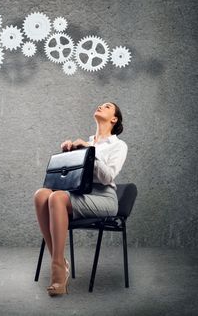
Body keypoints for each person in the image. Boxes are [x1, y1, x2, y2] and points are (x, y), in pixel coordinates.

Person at [33, 102, 128, 296]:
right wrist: (69, 154)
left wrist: (90, 153)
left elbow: (108, 177)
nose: (101, 106)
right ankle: (59, 261)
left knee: (57, 198)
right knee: (41, 194)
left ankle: (58, 271)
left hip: (104, 199)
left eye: (107, 106)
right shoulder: (87, 142)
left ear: (114, 119)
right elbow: (72, 179)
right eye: (100, 105)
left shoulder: (118, 145)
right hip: (80, 194)